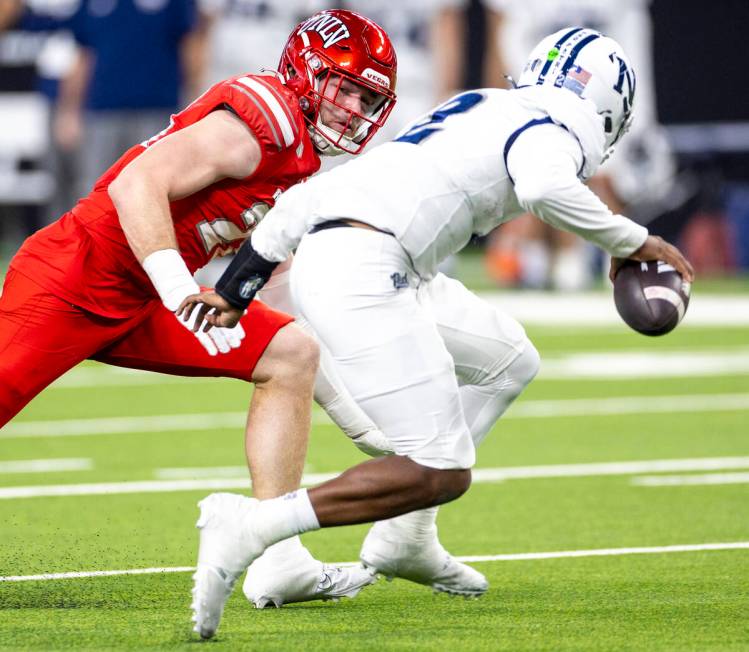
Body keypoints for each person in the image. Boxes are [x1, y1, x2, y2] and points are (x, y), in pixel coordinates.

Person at [179, 27, 694, 639]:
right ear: (608, 106)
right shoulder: (552, 127)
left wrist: (238, 285)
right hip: (366, 271)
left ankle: (406, 537)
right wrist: (635, 241)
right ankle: (255, 527)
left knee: (510, 359)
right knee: (440, 469)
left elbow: (310, 200)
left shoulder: (485, 105)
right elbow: (544, 187)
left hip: (365, 257)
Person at [0, 7, 397, 607]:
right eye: (343, 88)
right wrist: (177, 287)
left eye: (365, 101)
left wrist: (349, 411)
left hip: (148, 293)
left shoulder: (301, 160)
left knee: (289, 353)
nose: (353, 111)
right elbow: (137, 184)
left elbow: (274, 283)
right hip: (76, 278)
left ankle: (280, 558)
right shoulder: (263, 120)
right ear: (306, 71)